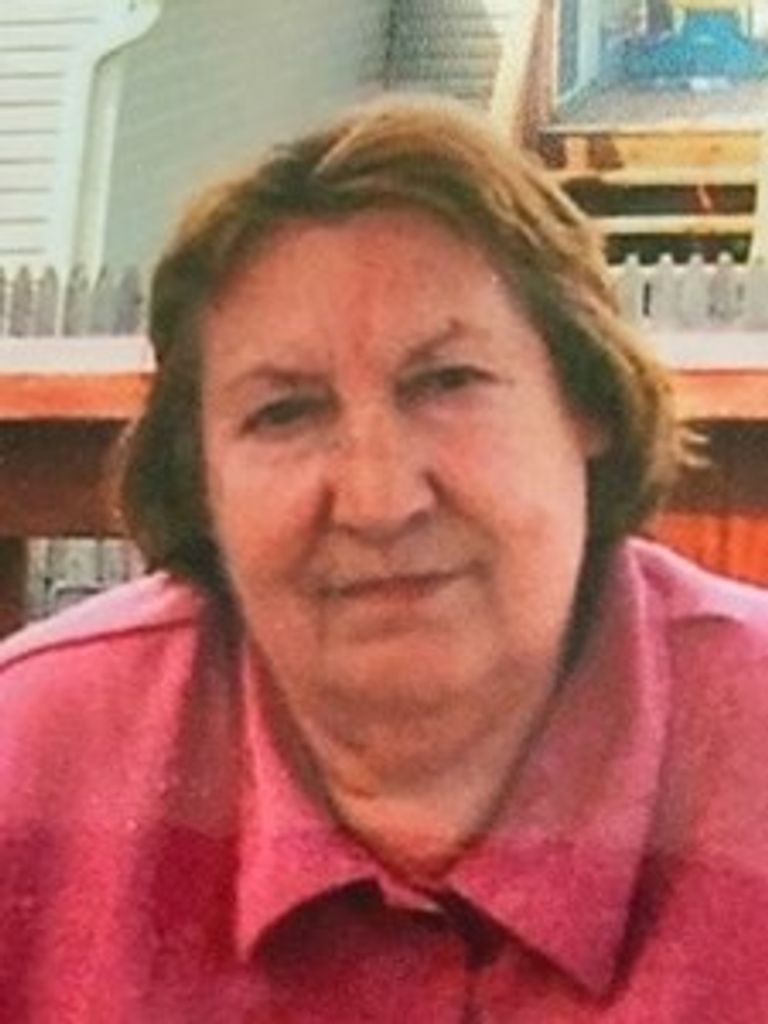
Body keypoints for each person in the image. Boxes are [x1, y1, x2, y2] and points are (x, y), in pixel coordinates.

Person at [1, 95, 767, 1023]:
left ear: (589, 404)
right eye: (285, 412)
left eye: (447, 383)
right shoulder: (28, 756)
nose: (378, 500)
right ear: (199, 476)